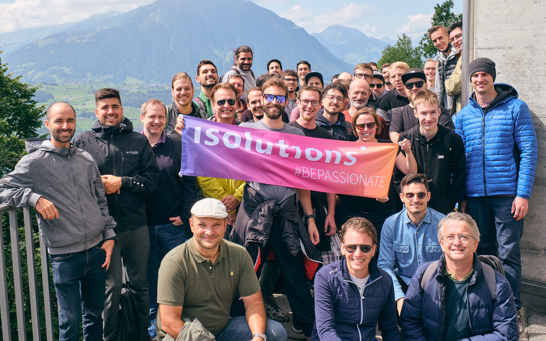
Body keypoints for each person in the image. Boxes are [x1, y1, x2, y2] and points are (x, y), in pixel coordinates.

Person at [0, 102, 117, 341]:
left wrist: (109, 235)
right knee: (70, 322)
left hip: (96, 251)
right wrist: (34, 198)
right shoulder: (34, 162)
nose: (65, 126)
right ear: (47, 124)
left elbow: (100, 200)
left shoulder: (85, 159)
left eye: (70, 121)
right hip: (65, 256)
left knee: (95, 315)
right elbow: (3, 189)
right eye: (59, 121)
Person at [230, 78, 322, 339]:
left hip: (286, 213)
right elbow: (216, 147)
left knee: (293, 272)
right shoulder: (245, 129)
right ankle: (236, 322)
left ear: (286, 100)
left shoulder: (297, 135)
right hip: (254, 211)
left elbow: (303, 180)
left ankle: (307, 327)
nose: (273, 102)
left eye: (279, 98)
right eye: (269, 97)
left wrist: (310, 218)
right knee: (245, 268)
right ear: (261, 99)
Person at [455, 58, 538, 323]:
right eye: (475, 75)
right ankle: (487, 303)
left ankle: (512, 308)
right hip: (475, 197)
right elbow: (460, 160)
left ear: (492, 77)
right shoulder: (463, 115)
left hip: (506, 196)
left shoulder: (515, 108)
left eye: (484, 75)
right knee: (481, 252)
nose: (480, 79)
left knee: (509, 253)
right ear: (470, 80)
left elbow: (529, 151)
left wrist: (522, 194)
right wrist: (462, 199)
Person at [74, 88, 161, 341]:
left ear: (122, 110)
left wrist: (122, 182)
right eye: (105, 108)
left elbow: (152, 180)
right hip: (102, 232)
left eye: (115, 107)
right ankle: (109, 337)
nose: (110, 112)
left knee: (140, 286)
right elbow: (76, 185)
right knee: (109, 289)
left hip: (136, 226)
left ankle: (143, 335)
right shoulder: (83, 142)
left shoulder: (138, 140)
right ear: (96, 112)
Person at [156, 198, 287, 341]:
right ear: (191, 225)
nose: (209, 232)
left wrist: (258, 337)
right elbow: (170, 323)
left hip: (223, 329)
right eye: (202, 225)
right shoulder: (174, 261)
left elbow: (254, 303)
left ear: (226, 225)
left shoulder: (239, 254)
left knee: (276, 332)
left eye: (216, 225)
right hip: (182, 335)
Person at [400, 213, 518, 341]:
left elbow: (506, 335)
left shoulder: (497, 283)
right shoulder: (424, 275)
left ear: (475, 244)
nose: (457, 242)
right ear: (441, 243)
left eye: (464, 237)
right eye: (450, 237)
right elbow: (410, 323)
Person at [140, 99, 198, 339]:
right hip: (142, 227)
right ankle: (155, 323)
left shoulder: (176, 145)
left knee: (176, 276)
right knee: (150, 278)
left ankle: (174, 322)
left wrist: (185, 216)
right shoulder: (135, 145)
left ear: (167, 119)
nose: (156, 121)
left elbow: (189, 182)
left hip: (172, 226)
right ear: (142, 117)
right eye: (152, 116)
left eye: (161, 117)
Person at [344, 108, 417, 264]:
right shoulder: (347, 149)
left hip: (385, 213)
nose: (365, 129)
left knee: (384, 258)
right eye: (360, 126)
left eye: (370, 125)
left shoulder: (388, 147)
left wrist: (409, 152)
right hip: (355, 212)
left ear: (377, 126)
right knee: (359, 257)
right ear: (355, 128)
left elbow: (410, 171)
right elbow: (341, 180)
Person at [311, 217, 398, 341]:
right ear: (342, 248)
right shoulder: (325, 277)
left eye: (365, 248)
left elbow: (390, 329)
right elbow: (325, 330)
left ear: (374, 250)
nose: (358, 253)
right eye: (351, 247)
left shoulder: (385, 280)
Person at [378, 173, 445, 316]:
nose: (416, 200)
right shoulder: (391, 224)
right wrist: (399, 297)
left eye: (421, 195)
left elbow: (452, 262)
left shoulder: (443, 223)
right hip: (404, 284)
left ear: (428, 196)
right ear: (402, 197)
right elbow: (385, 265)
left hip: (436, 284)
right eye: (410, 195)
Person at [289, 85, 339, 265]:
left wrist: (331, 213)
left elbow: (330, 180)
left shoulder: (326, 137)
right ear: (297, 103)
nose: (309, 106)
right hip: (290, 205)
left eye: (314, 102)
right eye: (305, 101)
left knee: (320, 256)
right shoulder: (286, 132)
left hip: (319, 206)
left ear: (320, 105)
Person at [398, 90, 465, 215]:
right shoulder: (405, 139)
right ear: (415, 113)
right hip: (413, 209)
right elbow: (397, 177)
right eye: (424, 113)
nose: (429, 118)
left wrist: (448, 202)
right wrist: (408, 201)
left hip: (442, 210)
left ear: (439, 112)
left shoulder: (452, 139)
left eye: (433, 112)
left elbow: (459, 176)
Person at [197, 83, 245, 227]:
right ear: (213, 105)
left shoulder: (248, 134)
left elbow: (255, 170)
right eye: (221, 102)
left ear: (237, 104)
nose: (226, 105)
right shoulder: (202, 134)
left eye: (231, 101)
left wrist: (237, 197)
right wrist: (227, 205)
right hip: (214, 208)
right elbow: (203, 175)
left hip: (245, 205)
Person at [389, 69, 454, 143]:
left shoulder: (441, 110)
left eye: (418, 84)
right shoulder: (398, 112)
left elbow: (446, 136)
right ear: (405, 89)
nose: (414, 88)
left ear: (426, 86)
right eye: (409, 86)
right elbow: (395, 138)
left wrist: (405, 136)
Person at [165, 72, 207, 139]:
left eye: (187, 88)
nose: (183, 92)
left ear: (193, 90)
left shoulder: (203, 116)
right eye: (179, 89)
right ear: (172, 92)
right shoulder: (165, 114)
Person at [430, 25, 460, 111]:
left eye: (440, 38)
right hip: (445, 109)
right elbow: (438, 88)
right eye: (434, 41)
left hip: (460, 106)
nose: (438, 42)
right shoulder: (438, 61)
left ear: (448, 37)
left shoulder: (459, 55)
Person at [445, 22, 463, 115]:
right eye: (452, 39)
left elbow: (453, 87)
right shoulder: (461, 58)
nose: (455, 41)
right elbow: (448, 87)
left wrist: (450, 83)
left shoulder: (470, 57)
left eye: (458, 36)